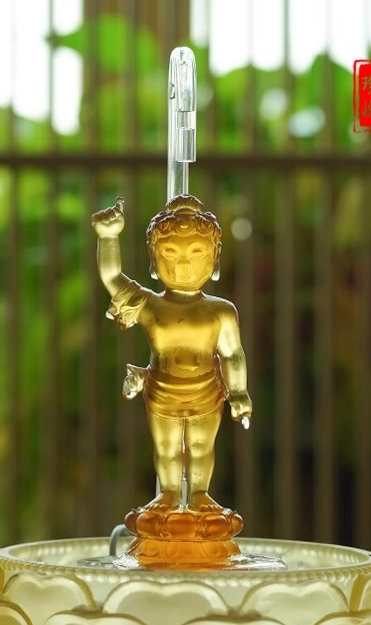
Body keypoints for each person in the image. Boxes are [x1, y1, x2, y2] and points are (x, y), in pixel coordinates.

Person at [91, 194, 252, 514]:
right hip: (162, 390)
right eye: (169, 253)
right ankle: (167, 494)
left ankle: (200, 495)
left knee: (201, 447)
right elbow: (112, 279)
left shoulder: (221, 312)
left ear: (215, 257)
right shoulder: (152, 305)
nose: (183, 264)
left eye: (197, 252)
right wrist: (108, 237)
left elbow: (233, 354)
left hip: (207, 390)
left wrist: (239, 392)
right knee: (166, 448)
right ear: (153, 260)